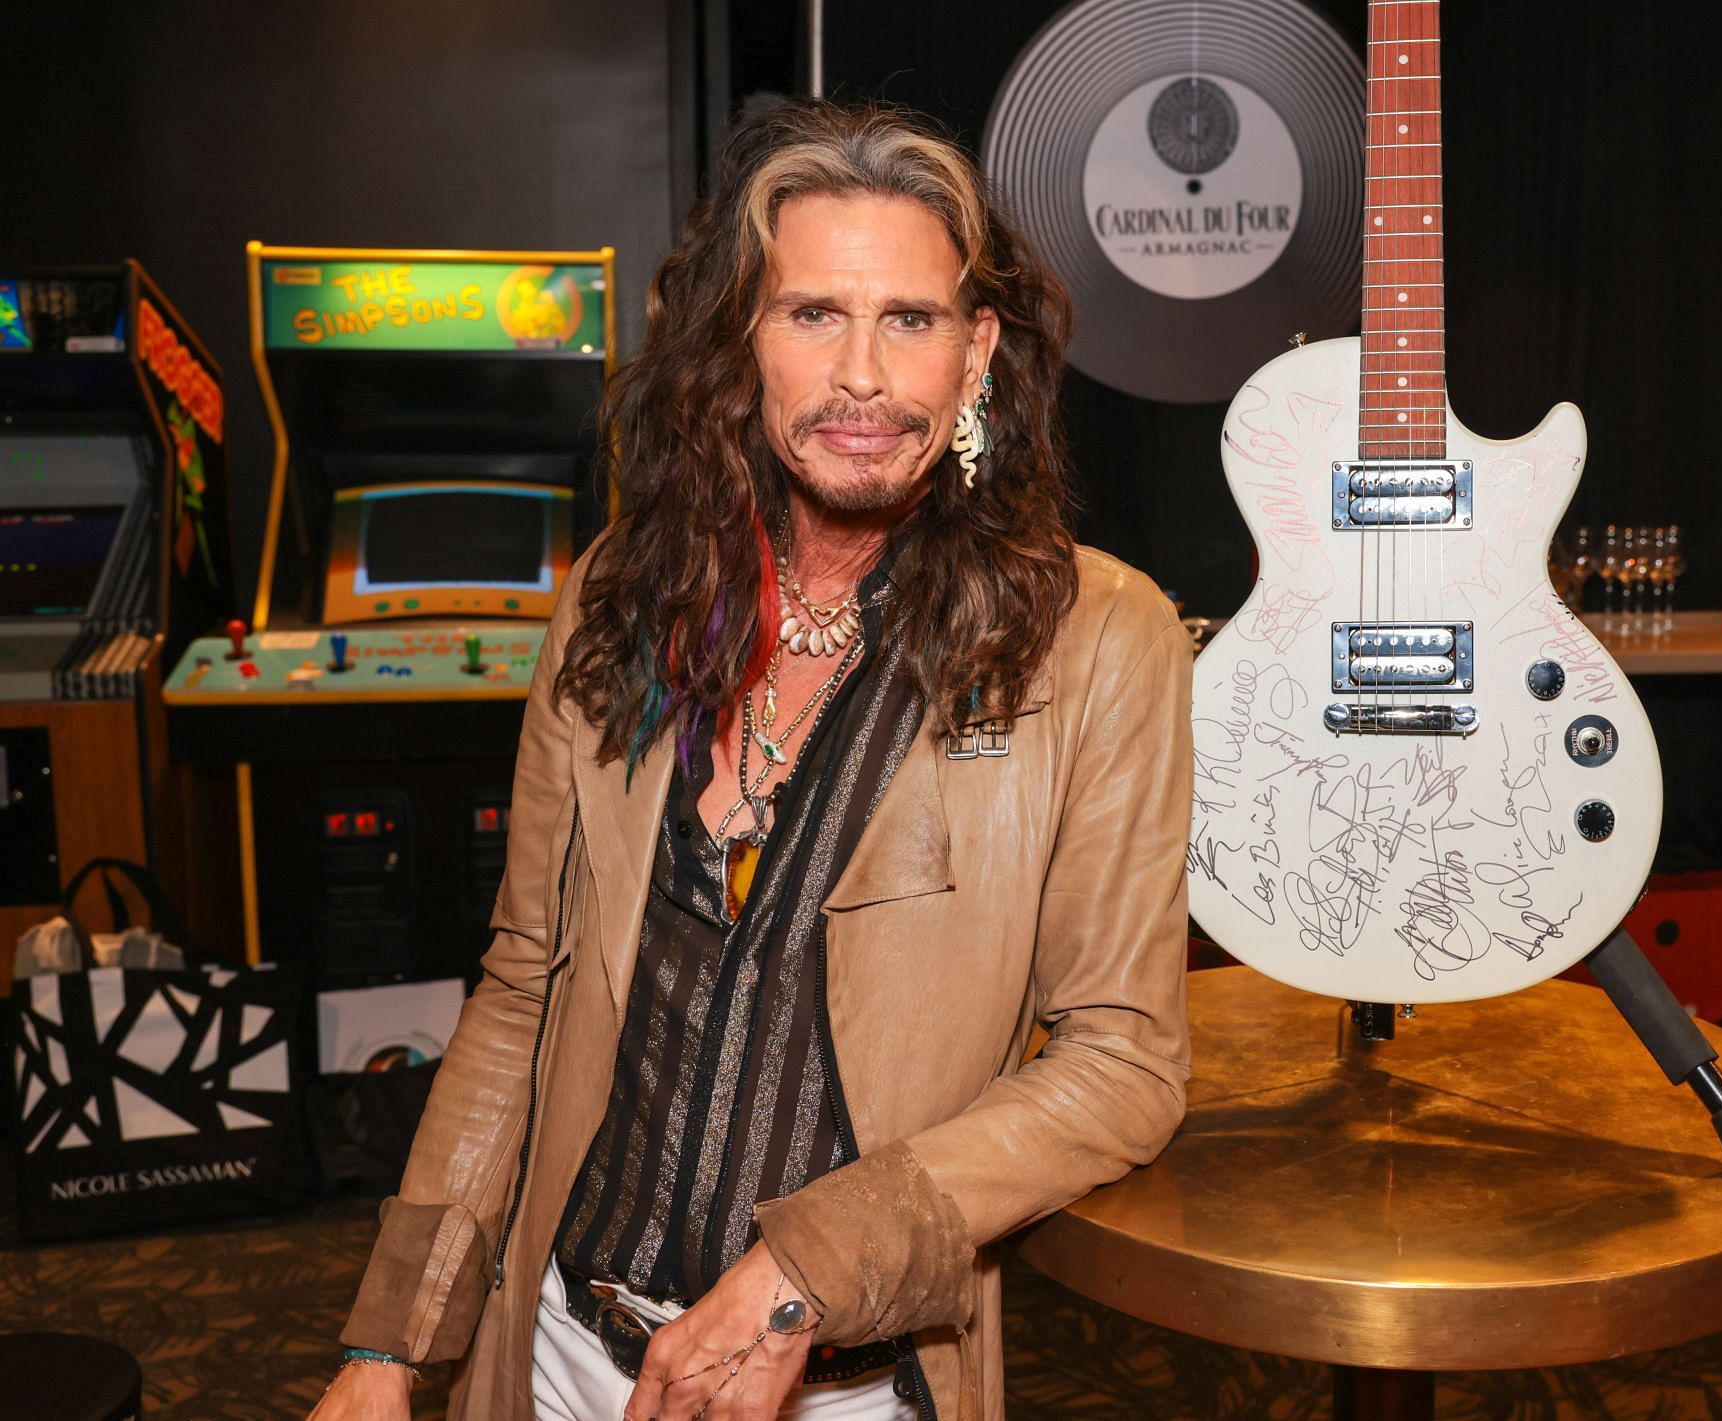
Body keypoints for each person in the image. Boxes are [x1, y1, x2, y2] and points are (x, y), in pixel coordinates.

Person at [307, 98, 1192, 1421]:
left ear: (978, 354)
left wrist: (804, 1273)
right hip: (564, 1346)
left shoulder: (1097, 637)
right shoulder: (624, 596)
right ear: (739, 344)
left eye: (911, 320)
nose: (862, 380)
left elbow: (1122, 1062)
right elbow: (521, 991)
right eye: (812, 315)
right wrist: (388, 1351)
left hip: (844, 1382)